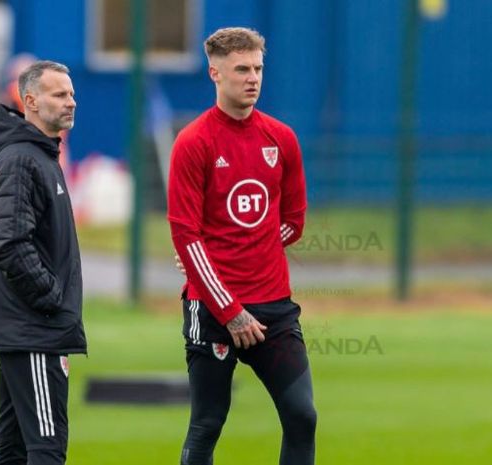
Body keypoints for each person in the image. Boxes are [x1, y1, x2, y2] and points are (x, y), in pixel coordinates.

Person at [167, 27, 316, 465]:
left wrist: (247, 250)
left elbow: (292, 223)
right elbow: (185, 234)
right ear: (215, 73)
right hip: (213, 311)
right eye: (241, 69)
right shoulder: (194, 142)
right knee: (208, 423)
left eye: (257, 69)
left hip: (274, 307)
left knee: (302, 415)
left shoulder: (281, 139)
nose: (252, 78)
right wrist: (230, 309)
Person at [0, 60, 85, 465]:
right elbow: (8, 243)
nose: (71, 102)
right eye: (60, 94)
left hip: (30, 331)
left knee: (12, 452)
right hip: (35, 332)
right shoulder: (22, 160)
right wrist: (52, 303)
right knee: (46, 450)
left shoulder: (41, 156)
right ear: (30, 101)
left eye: (72, 93)